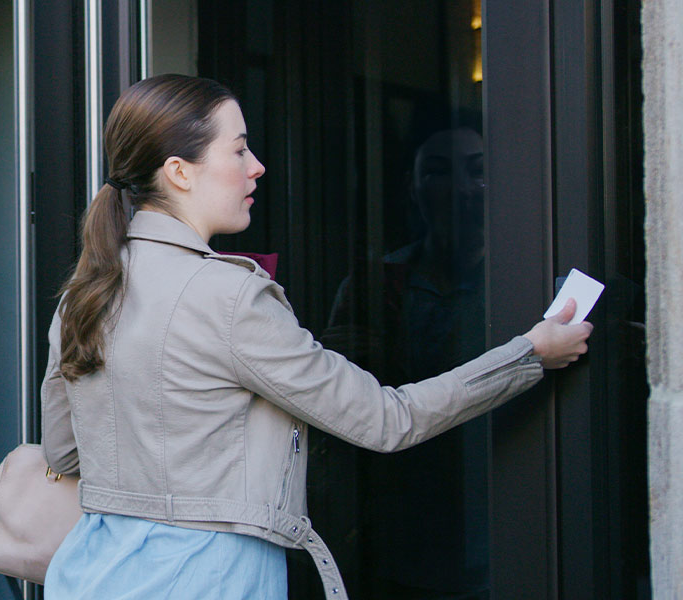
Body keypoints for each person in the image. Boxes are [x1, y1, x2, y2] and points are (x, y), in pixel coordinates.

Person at [38, 74, 592, 599]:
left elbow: (65, 450)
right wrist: (530, 354)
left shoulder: (85, 292)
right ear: (180, 171)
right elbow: (386, 419)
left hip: (91, 571)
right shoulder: (229, 297)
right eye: (238, 150)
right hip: (207, 575)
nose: (256, 167)